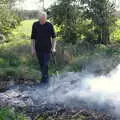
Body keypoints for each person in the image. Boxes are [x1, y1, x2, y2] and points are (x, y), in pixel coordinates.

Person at [31, 11, 56, 84]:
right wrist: (32, 49)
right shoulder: (35, 25)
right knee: (42, 65)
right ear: (39, 18)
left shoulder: (50, 25)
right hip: (38, 49)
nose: (42, 21)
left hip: (47, 49)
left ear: (46, 18)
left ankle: (44, 82)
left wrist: (53, 48)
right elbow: (33, 38)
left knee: (45, 65)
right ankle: (45, 79)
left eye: (43, 19)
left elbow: (54, 37)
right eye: (40, 19)